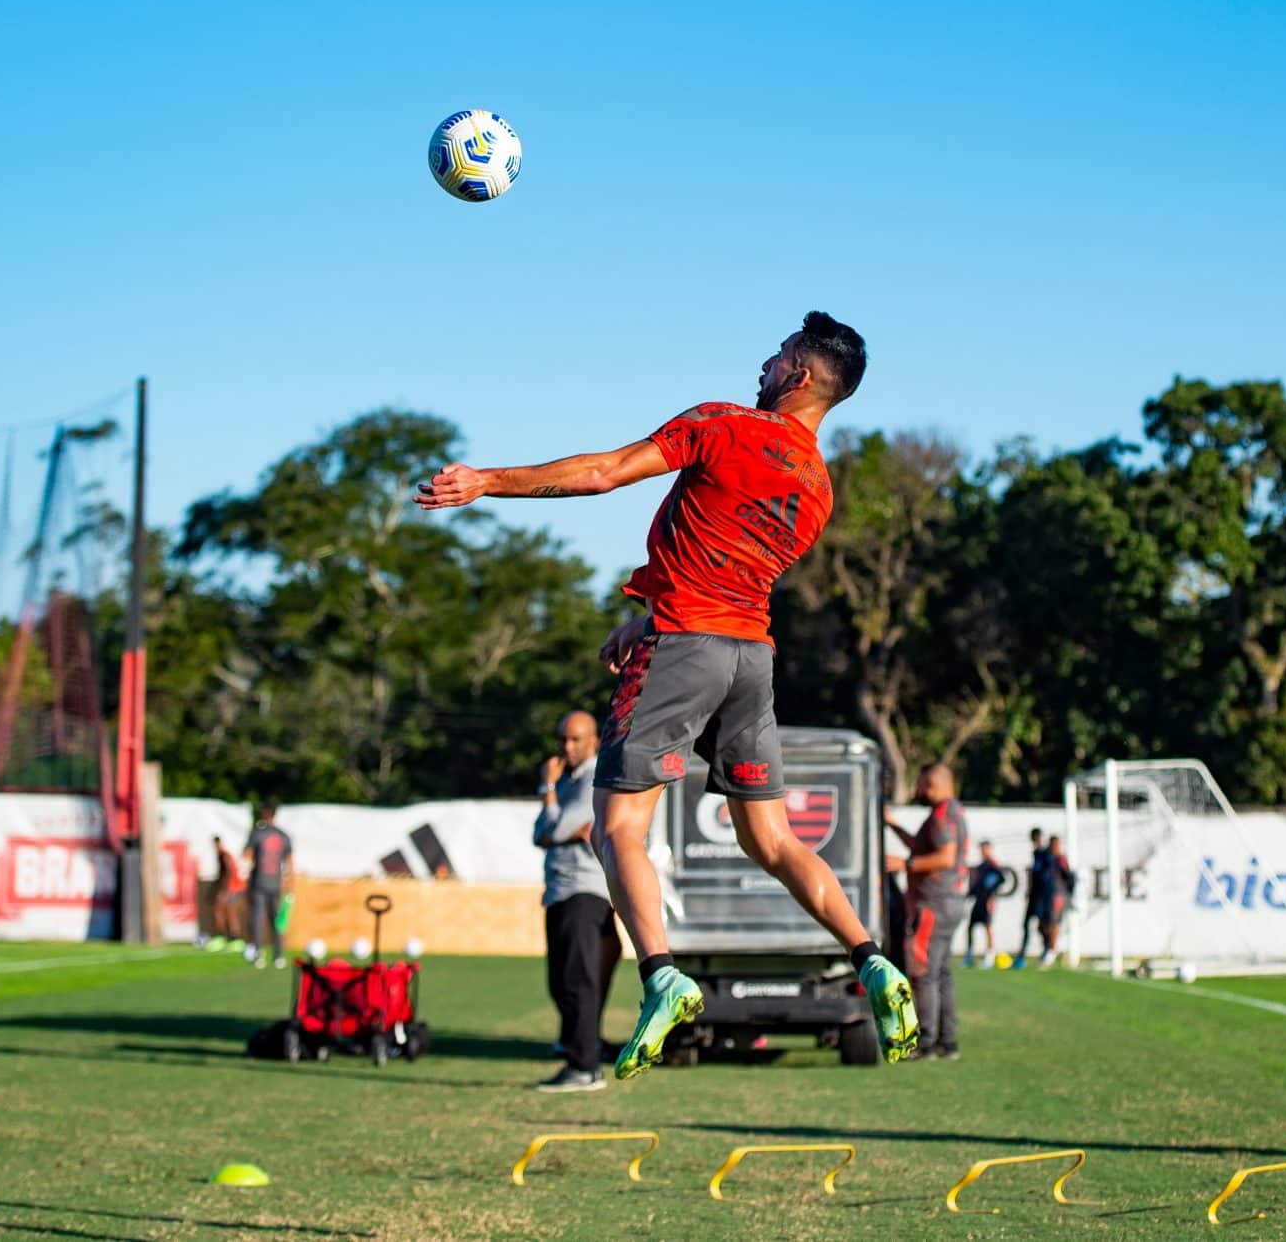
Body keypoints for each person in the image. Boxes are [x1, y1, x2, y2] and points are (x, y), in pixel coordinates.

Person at [416, 311, 919, 1078]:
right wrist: (646, 616)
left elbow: (605, 472)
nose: (764, 362)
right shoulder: (818, 488)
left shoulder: (725, 422)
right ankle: (872, 957)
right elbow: (729, 566)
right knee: (773, 841)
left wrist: (488, 481)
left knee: (616, 826)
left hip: (685, 646)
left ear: (800, 374)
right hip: (750, 657)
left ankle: (661, 973)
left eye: (779, 353)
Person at [531, 710, 622, 1092]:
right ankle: (579, 1045)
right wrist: (558, 826)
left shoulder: (592, 779)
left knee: (576, 980)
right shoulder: (569, 781)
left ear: (594, 741)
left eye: (575, 740)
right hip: (561, 891)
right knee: (562, 981)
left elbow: (555, 829)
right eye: (563, 740)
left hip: (582, 892)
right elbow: (540, 834)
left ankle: (584, 1066)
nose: (567, 747)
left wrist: (547, 789)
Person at [885, 764, 970, 1060]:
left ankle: (926, 1043)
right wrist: (894, 826)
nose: (917, 791)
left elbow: (944, 857)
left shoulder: (941, 816)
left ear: (933, 785)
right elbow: (923, 848)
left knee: (923, 974)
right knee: (941, 973)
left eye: (920, 785)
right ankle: (948, 1042)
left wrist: (905, 865)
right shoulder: (953, 812)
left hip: (933, 904)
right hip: (950, 902)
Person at [242, 802, 293, 968]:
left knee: (258, 919)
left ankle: (258, 954)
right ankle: (279, 956)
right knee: (277, 921)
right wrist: (290, 885)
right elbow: (290, 864)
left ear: (265, 813)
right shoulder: (284, 835)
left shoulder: (257, 833)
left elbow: (247, 855)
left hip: (259, 883)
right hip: (276, 884)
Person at [1035, 834, 1076, 966]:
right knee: (1041, 925)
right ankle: (1047, 947)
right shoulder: (1046, 858)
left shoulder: (1061, 859)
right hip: (1044, 896)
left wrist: (1068, 894)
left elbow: (1069, 878)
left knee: (1053, 923)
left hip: (1057, 896)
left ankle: (1051, 952)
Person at [966, 841, 1003, 968]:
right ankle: (969, 955)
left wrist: (990, 895)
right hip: (979, 901)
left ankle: (990, 956)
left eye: (985, 848)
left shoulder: (993, 865)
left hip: (988, 901)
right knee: (971, 927)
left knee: (987, 926)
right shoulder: (981, 866)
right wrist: (970, 894)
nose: (983, 851)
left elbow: (1001, 879)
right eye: (982, 849)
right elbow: (978, 885)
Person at [1013, 828, 1046, 967]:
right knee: (1026, 925)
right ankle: (1022, 955)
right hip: (1033, 896)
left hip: (1041, 897)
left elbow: (1046, 878)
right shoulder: (1036, 854)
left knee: (1041, 926)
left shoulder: (1046, 854)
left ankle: (1047, 952)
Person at [210, 835, 246, 942]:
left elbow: (230, 872)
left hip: (233, 887)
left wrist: (225, 890)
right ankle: (230, 936)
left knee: (226, 911)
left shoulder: (224, 855)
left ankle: (231, 936)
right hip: (232, 886)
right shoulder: (221, 854)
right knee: (225, 910)